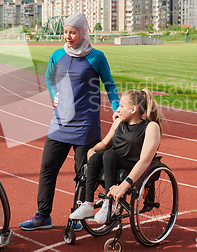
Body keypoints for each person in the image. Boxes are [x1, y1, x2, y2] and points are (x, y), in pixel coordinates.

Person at [19, 13, 119, 231]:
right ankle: (43, 215)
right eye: (65, 32)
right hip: (60, 124)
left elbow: (110, 84)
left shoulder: (97, 57)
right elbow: (48, 77)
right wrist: (53, 94)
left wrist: (116, 109)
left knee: (83, 172)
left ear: (83, 32)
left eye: (73, 32)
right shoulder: (57, 55)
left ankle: (78, 215)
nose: (68, 36)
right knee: (47, 169)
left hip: (85, 125)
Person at [69, 88, 163, 224]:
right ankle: (88, 204)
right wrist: (92, 150)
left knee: (109, 155)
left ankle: (109, 204)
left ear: (133, 109)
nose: (118, 109)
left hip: (132, 165)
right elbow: (104, 144)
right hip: (112, 160)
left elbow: (144, 161)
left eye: (121, 106)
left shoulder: (151, 127)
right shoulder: (119, 123)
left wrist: (124, 186)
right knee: (96, 157)